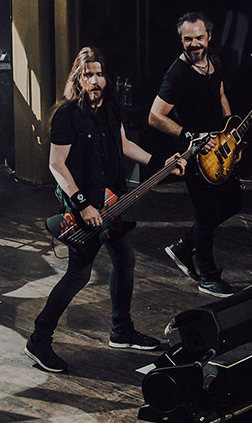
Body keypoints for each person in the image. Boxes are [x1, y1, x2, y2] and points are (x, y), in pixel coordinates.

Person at [24, 46, 184, 374]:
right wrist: (82, 205)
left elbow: (124, 145)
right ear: (78, 78)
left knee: (124, 262)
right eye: (88, 75)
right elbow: (56, 165)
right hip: (83, 208)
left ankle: (121, 331)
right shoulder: (67, 114)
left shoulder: (110, 108)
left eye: (99, 74)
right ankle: (38, 340)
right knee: (78, 275)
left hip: (113, 203)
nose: (95, 80)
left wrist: (161, 164)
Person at [150, 11, 242, 298]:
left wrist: (231, 138)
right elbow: (155, 116)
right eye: (187, 39)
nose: (194, 44)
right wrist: (190, 136)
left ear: (209, 37)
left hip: (220, 150)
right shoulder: (177, 74)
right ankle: (208, 277)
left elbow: (221, 96)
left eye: (199, 37)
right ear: (181, 40)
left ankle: (183, 246)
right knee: (205, 214)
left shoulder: (214, 61)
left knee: (233, 201)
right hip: (195, 155)